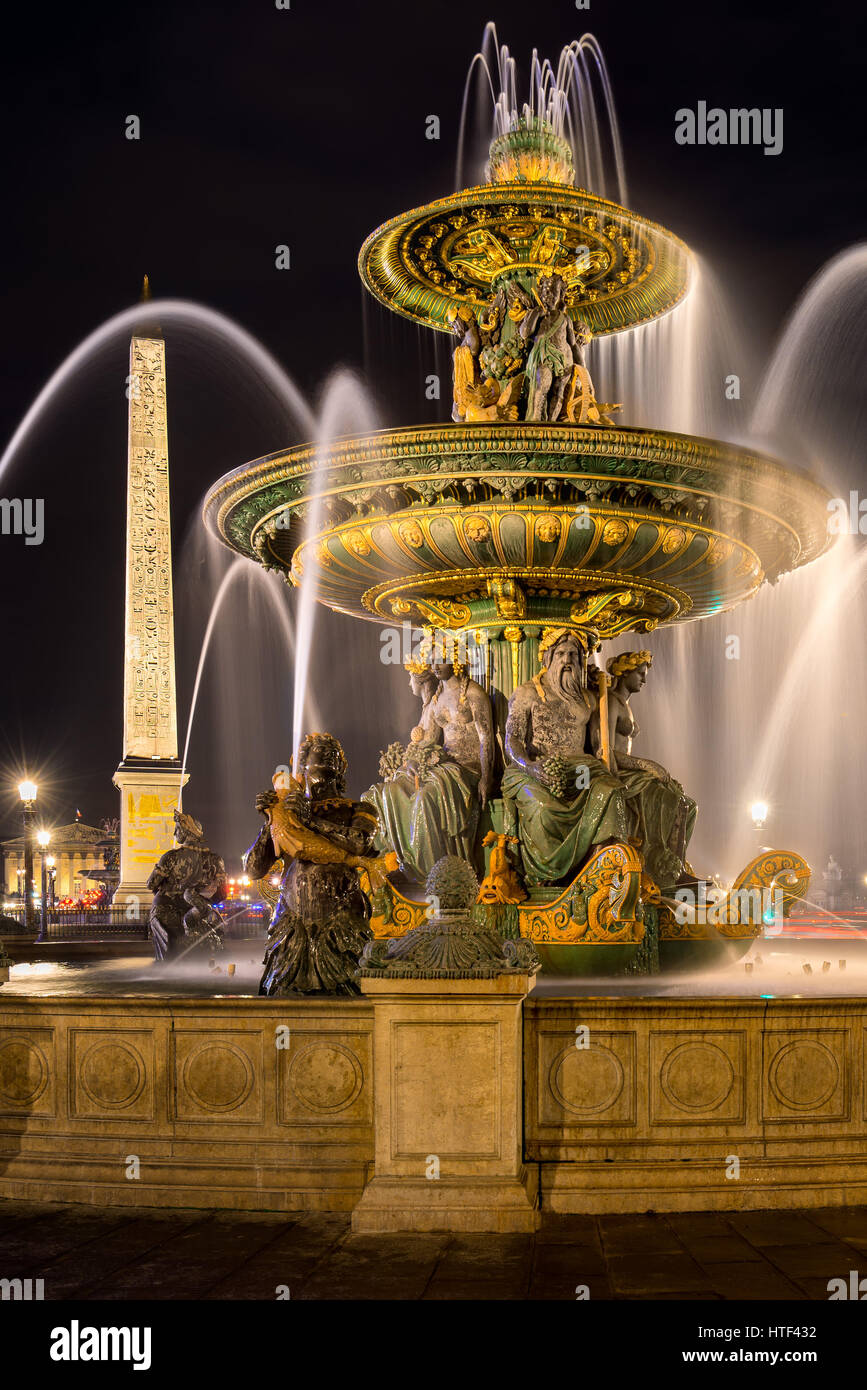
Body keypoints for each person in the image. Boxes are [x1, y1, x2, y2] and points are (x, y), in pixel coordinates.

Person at [502, 627, 637, 885]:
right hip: (536, 768)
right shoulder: (527, 693)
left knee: (610, 791)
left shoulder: (588, 698)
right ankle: (547, 876)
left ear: (581, 662)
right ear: (548, 658)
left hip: (581, 769)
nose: (566, 661)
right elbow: (513, 740)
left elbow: (600, 745)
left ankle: (601, 870)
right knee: (544, 809)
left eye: (573, 656)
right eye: (561, 654)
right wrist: (530, 767)